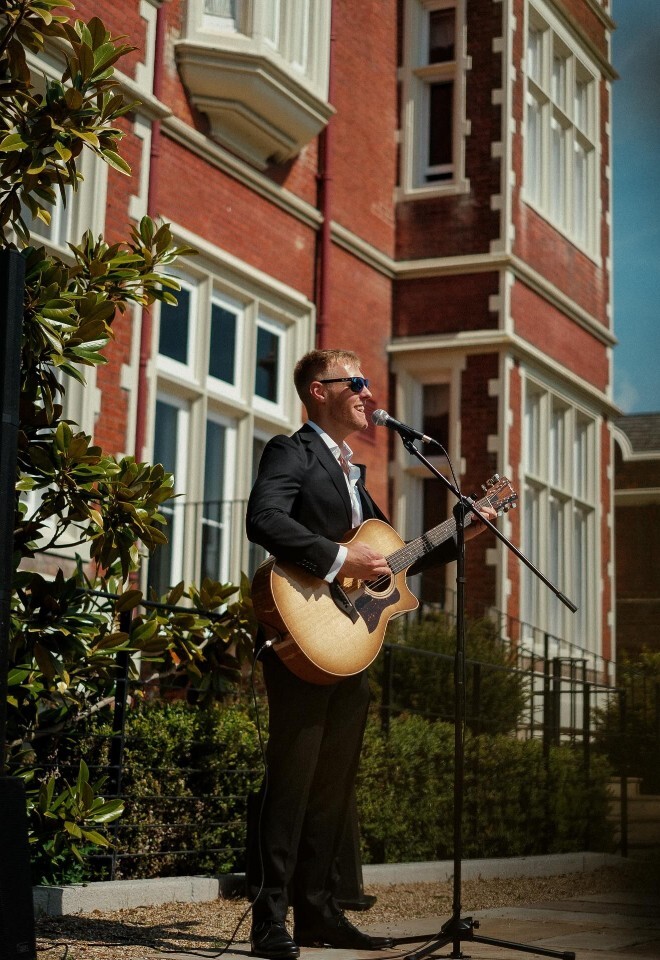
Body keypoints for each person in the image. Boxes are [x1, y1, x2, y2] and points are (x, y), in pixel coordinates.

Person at [246, 349, 494, 958]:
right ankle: (269, 919)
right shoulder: (291, 451)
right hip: (304, 638)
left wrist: (461, 530)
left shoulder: (356, 478)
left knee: (334, 786)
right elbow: (264, 519)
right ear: (317, 391)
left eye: (367, 382)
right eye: (354, 382)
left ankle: (321, 911)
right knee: (293, 780)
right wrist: (337, 558)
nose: (367, 392)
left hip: (351, 646)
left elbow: (392, 560)